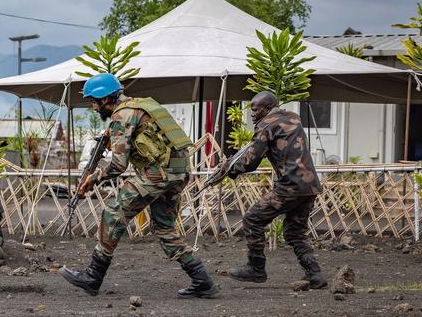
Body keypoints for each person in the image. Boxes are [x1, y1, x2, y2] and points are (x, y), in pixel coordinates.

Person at [59, 73, 219, 299]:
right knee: (164, 229)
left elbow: (117, 165)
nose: (93, 107)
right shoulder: (142, 106)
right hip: (179, 171)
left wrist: (91, 180)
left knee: (113, 213)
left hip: (158, 174)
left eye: (94, 101)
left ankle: (93, 276)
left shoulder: (121, 115)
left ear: (106, 99)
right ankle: (202, 281)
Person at [218, 91, 327, 288]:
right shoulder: (293, 117)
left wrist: (229, 169)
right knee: (295, 233)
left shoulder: (266, 126)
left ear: (267, 108)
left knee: (253, 219)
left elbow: (250, 162)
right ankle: (315, 274)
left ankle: (256, 268)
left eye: (255, 108)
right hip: (309, 186)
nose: (252, 113)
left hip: (290, 186)